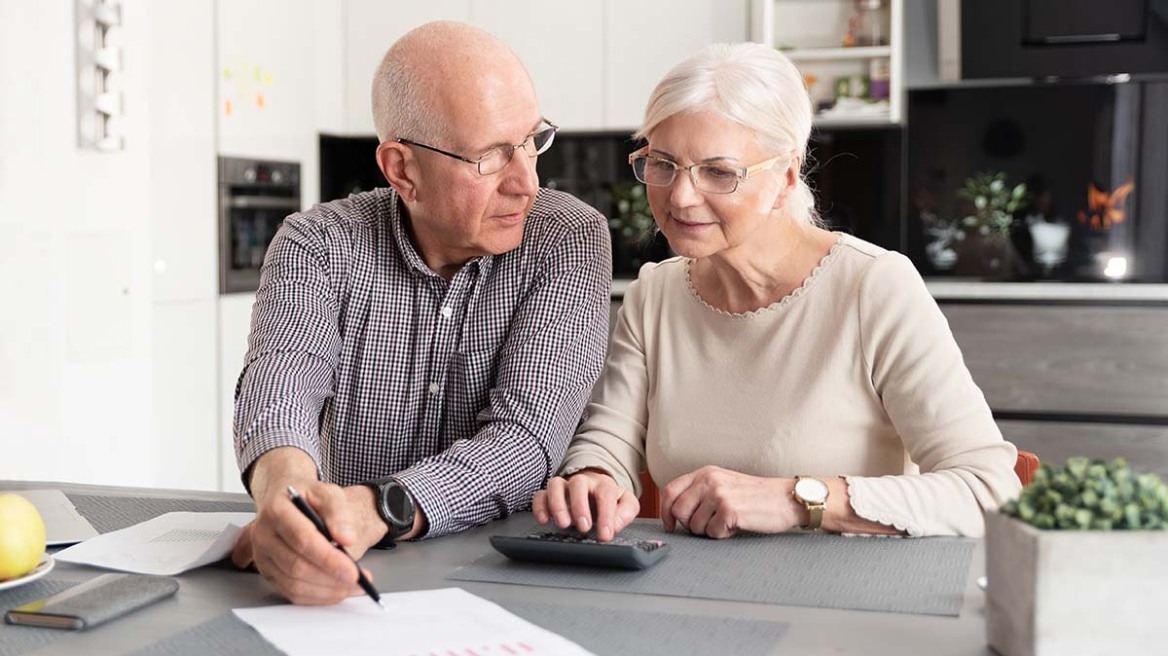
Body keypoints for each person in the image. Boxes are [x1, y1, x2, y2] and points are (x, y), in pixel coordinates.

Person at [533, 42, 1021, 542]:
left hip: (845, 603)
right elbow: (609, 442)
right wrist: (590, 478)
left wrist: (798, 498)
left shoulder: (874, 286)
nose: (679, 196)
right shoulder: (654, 295)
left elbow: (989, 491)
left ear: (785, 178)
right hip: (693, 598)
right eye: (662, 164)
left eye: (719, 172)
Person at [230, 21, 612, 604]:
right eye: (490, 157)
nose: (527, 182)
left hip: (513, 579)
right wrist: (290, 504)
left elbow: (525, 439)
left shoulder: (567, 238)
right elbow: (281, 387)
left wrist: (377, 507)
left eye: (532, 140)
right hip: (351, 575)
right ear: (402, 170)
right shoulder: (316, 243)